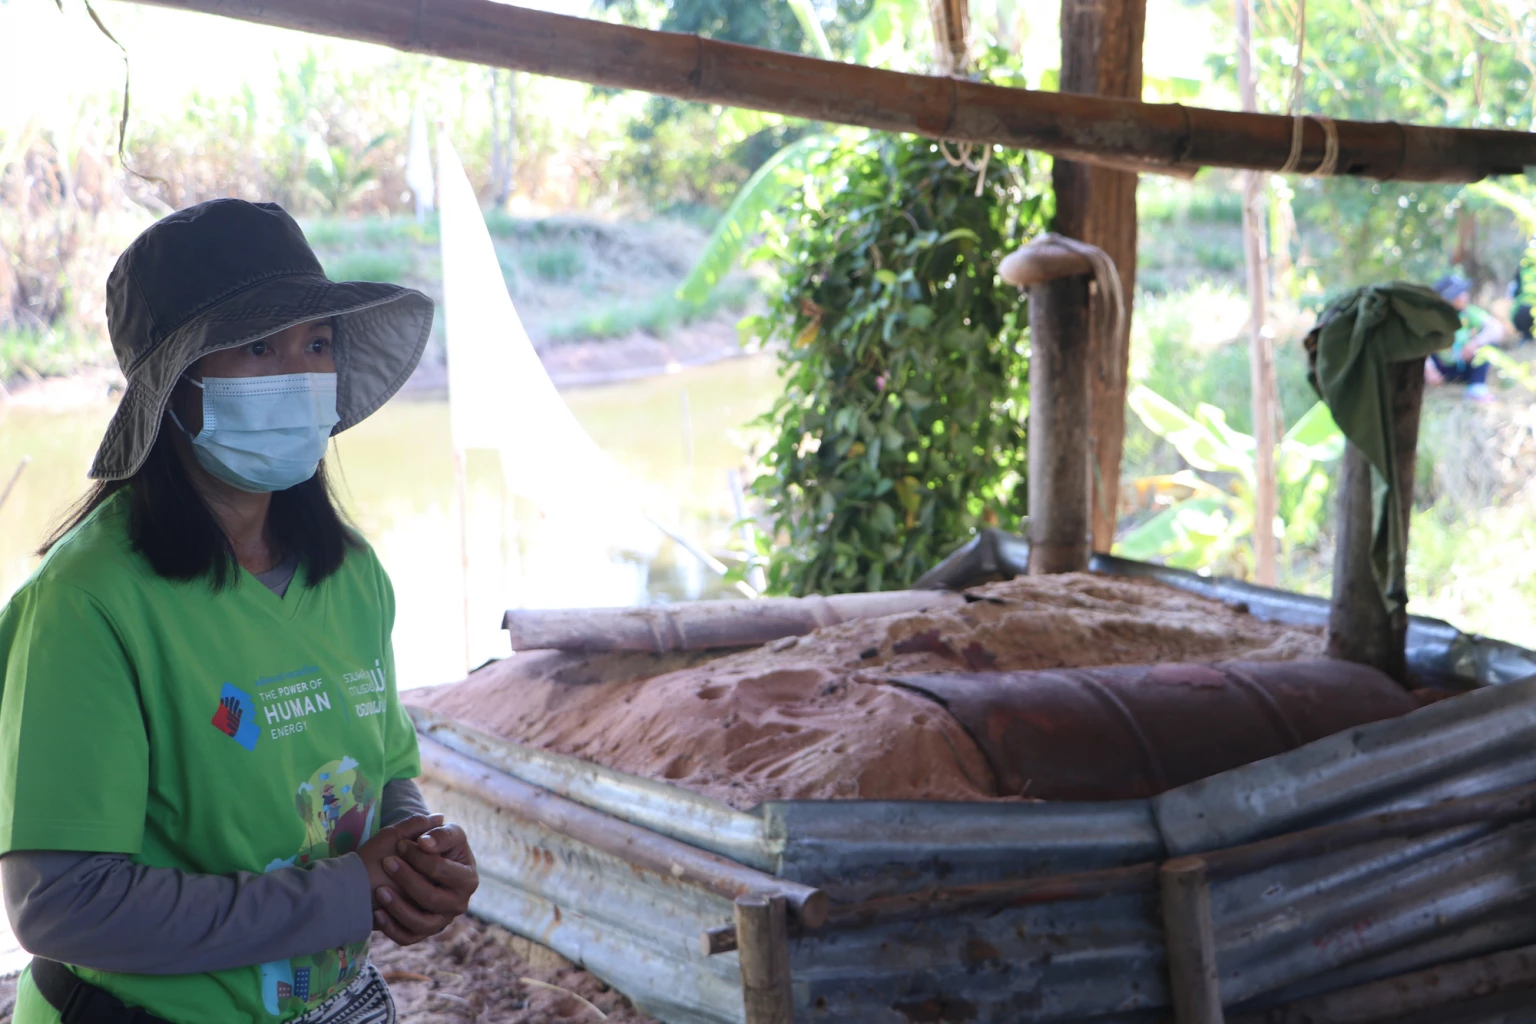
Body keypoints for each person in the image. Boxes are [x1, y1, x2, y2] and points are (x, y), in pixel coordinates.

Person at [0, 199, 479, 1024]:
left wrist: (415, 854)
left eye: (316, 343)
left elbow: (389, 770)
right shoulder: (87, 604)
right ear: (174, 388)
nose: (298, 372)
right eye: (257, 346)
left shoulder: (352, 575)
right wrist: (343, 893)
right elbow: (63, 905)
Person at [1424, 274, 1500, 403]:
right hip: (1442, 369)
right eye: (1458, 294)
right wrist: (1428, 369)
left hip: (1465, 364)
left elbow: (1496, 328)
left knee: (1486, 348)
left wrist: (1476, 342)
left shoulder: (1469, 313)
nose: (1465, 296)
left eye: (1464, 292)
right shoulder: (1432, 320)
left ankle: (1477, 387)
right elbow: (1420, 344)